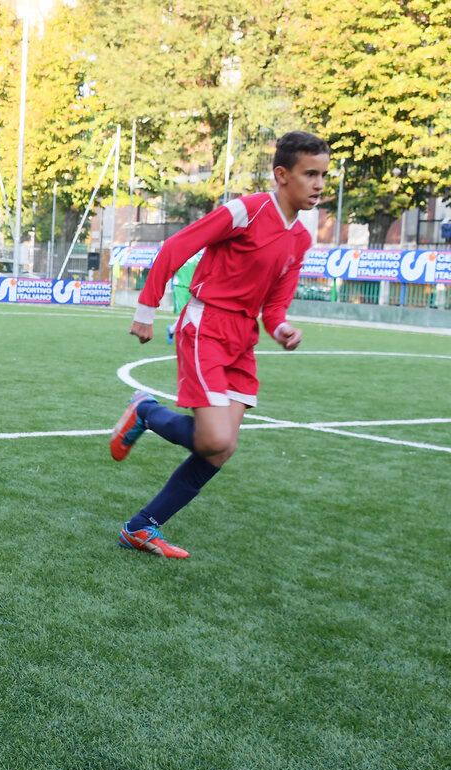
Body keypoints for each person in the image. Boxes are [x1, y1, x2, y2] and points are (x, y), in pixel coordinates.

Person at [110, 131, 329, 559]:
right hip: (206, 325)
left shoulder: (300, 239)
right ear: (282, 175)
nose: (319, 184)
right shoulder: (246, 211)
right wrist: (146, 309)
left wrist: (281, 328)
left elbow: (275, 305)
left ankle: (141, 527)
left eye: (323, 175)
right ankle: (145, 411)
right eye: (310, 174)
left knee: (222, 448)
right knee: (213, 439)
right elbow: (177, 246)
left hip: (243, 339)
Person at [165, 250, 200, 343]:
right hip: (180, 287)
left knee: (192, 313)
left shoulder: (198, 257)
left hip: (191, 289)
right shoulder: (179, 255)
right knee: (185, 314)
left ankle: (172, 330)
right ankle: (179, 333)